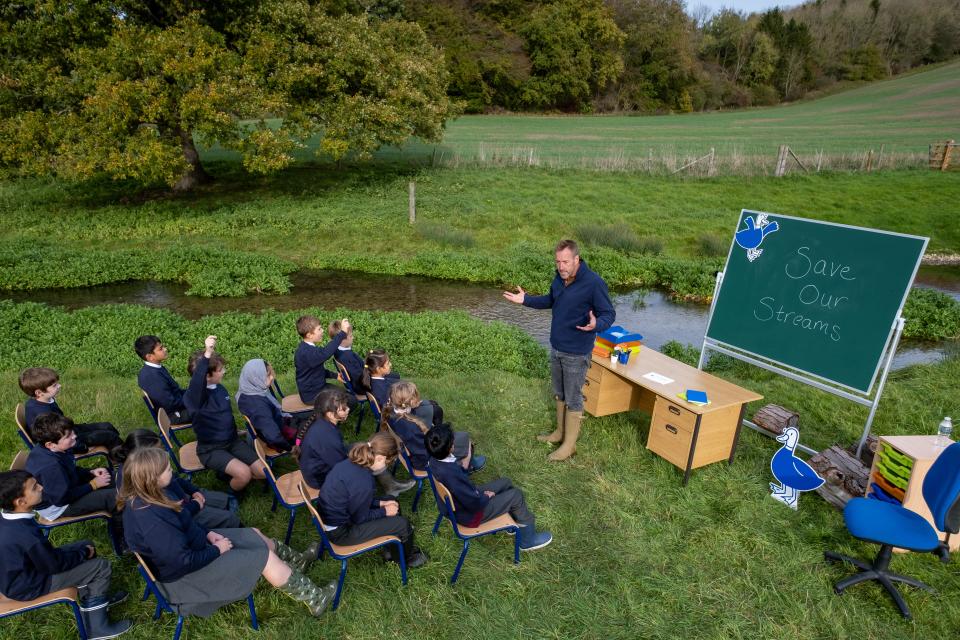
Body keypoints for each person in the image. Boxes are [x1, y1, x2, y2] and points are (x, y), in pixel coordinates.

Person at [120, 448, 335, 618]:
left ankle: (299, 562)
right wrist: (216, 550)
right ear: (151, 478)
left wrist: (207, 534)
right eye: (166, 469)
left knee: (254, 533)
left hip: (198, 547)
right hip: (186, 577)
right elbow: (182, 562)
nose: (171, 470)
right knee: (265, 559)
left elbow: (183, 522)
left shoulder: (151, 496)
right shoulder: (151, 520)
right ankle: (316, 600)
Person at [503, 239, 615, 461]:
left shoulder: (593, 283)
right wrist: (526, 300)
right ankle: (559, 433)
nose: (561, 266)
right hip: (557, 347)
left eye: (565, 262)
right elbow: (550, 300)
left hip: (577, 351)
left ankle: (569, 446)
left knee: (573, 398)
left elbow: (608, 314)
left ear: (576, 259)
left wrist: (596, 325)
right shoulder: (559, 278)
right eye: (557, 262)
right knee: (559, 392)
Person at [0, 469, 132, 639]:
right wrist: (82, 554)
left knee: (86, 544)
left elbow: (45, 559)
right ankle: (97, 628)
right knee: (100, 566)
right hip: (30, 584)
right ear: (21, 501)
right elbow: (53, 565)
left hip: (27, 571)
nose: (41, 487)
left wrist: (82, 550)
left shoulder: (8, 517)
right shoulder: (25, 535)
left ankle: (94, 600)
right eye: (34, 487)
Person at [426, 424, 552, 551]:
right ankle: (527, 541)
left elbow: (460, 486)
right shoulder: (452, 475)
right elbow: (473, 503)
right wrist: (486, 496)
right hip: (471, 515)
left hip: (461, 505)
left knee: (505, 482)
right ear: (450, 447)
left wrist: (464, 467)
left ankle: (512, 523)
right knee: (516, 495)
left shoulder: (434, 461)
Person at [319, 432, 428, 568]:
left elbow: (355, 500)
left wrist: (381, 503)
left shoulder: (352, 462)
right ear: (381, 459)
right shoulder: (364, 481)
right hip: (342, 533)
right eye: (389, 462)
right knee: (403, 524)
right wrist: (384, 512)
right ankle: (403, 560)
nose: (387, 467)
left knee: (391, 500)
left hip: (336, 517)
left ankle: (391, 549)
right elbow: (359, 518)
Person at [112, 429, 241, 530]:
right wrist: (195, 505)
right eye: (160, 449)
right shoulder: (142, 486)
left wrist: (194, 491)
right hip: (183, 511)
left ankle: (217, 512)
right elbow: (174, 515)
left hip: (183, 498)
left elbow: (176, 479)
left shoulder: (152, 468)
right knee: (229, 518)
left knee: (227, 500)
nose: (164, 452)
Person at [295, 387, 414, 496]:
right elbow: (340, 467)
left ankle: (389, 485)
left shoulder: (322, 422)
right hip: (320, 478)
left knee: (365, 448)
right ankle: (386, 487)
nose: (348, 409)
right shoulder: (326, 437)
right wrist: (364, 461)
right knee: (370, 455)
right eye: (344, 408)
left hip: (321, 466)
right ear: (330, 414)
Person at [184, 335, 266, 493]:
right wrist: (208, 352)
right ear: (206, 375)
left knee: (263, 472)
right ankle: (231, 496)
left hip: (232, 441)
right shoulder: (194, 397)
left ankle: (226, 473)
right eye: (220, 370)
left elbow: (224, 417)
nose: (224, 372)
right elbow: (197, 381)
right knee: (244, 474)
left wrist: (234, 432)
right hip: (211, 449)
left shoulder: (220, 388)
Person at [25, 414, 120, 529]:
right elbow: (62, 499)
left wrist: (90, 472)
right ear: (50, 444)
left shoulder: (56, 449)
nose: (74, 436)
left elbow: (69, 469)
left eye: (72, 432)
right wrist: (93, 485)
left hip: (67, 486)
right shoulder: (51, 468)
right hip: (60, 506)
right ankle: (124, 532)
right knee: (114, 498)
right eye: (68, 436)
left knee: (120, 477)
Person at [383, 381, 484, 473]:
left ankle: (466, 464)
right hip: (424, 461)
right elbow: (425, 453)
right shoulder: (411, 428)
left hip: (413, 451)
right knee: (466, 439)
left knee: (459, 437)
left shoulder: (391, 412)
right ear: (412, 401)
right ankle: (465, 469)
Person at [19, 367, 122, 455]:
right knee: (109, 436)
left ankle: (118, 452)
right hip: (68, 441)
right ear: (39, 392)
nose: (59, 386)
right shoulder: (44, 416)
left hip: (68, 430)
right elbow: (58, 439)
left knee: (107, 426)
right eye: (54, 385)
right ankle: (123, 460)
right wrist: (83, 448)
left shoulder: (43, 400)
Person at [360, 349, 443, 427]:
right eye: (388, 363)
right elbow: (392, 410)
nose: (390, 365)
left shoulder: (372, 381)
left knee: (433, 403)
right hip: (401, 416)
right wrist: (410, 406)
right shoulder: (380, 389)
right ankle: (437, 433)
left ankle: (430, 424)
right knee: (437, 410)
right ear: (378, 369)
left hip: (399, 408)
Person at [236, 359, 295, 453]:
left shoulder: (247, 391)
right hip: (278, 437)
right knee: (314, 430)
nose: (271, 377)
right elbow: (274, 437)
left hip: (270, 426)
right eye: (268, 375)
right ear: (255, 378)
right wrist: (290, 448)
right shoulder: (259, 407)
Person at [135, 335, 191, 425]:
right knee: (213, 406)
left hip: (176, 408)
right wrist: (193, 399)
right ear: (150, 357)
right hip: (172, 415)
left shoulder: (155, 369)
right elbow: (170, 404)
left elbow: (175, 392)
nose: (165, 349)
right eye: (160, 349)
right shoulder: (152, 377)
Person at [294, 315, 349, 405]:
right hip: (312, 395)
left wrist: (335, 376)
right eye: (319, 329)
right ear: (309, 335)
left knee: (345, 394)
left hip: (318, 388)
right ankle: (324, 417)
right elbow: (325, 353)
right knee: (350, 401)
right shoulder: (307, 352)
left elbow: (316, 371)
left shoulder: (307, 348)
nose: (322, 331)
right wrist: (342, 333)